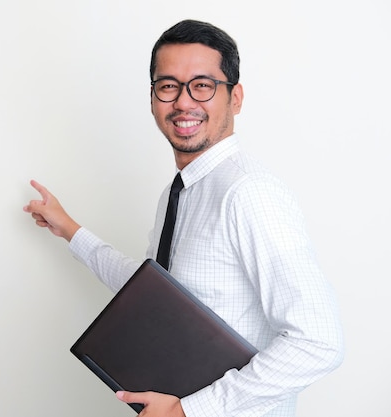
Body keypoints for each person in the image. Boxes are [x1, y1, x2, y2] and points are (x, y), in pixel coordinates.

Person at [23, 19, 344, 417]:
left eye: (203, 85)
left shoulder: (249, 193)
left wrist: (188, 410)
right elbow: (153, 292)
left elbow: (318, 341)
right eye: (168, 85)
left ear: (236, 98)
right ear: (154, 97)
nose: (184, 102)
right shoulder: (178, 193)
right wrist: (70, 230)